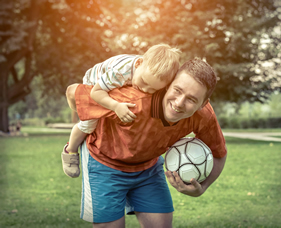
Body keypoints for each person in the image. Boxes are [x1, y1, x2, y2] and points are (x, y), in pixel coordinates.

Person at [66, 57, 227, 228]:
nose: (179, 103)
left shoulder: (203, 116)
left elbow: (219, 153)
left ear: (203, 104)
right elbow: (72, 92)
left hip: (148, 168)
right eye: (177, 90)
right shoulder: (132, 100)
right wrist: (85, 122)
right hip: (105, 164)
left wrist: (202, 187)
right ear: (167, 85)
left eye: (192, 99)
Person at [62, 44, 181, 178]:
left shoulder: (148, 72)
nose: (145, 89)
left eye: (153, 89)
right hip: (95, 82)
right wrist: (116, 106)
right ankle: (70, 150)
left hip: (113, 82)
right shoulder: (121, 72)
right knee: (88, 125)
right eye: (144, 81)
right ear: (139, 63)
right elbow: (96, 92)